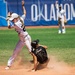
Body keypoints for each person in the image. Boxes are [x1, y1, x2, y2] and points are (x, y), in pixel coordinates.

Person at [5, 0, 37, 70]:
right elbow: (25, 13)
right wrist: (23, 6)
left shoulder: (17, 24)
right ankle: (9, 65)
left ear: (16, 18)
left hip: (26, 39)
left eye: (13, 19)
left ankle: (36, 63)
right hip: (21, 40)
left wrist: (7, 20)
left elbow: (9, 27)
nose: (12, 20)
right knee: (15, 52)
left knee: (31, 51)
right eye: (12, 19)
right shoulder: (21, 19)